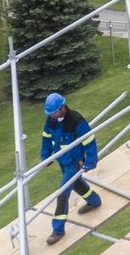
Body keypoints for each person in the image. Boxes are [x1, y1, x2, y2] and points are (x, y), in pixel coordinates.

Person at [40, 94, 102, 242]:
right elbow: (46, 138)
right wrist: (46, 156)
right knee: (75, 183)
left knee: (62, 193)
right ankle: (94, 201)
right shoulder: (51, 120)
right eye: (50, 113)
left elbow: (88, 139)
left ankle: (58, 229)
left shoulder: (76, 119)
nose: (52, 115)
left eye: (54, 112)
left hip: (74, 162)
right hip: (63, 160)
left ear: (62, 107)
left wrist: (91, 160)